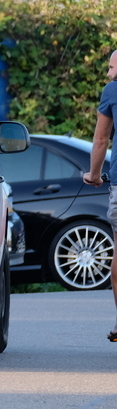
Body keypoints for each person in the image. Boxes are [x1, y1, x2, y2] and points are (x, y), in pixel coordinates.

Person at [81, 49, 117, 342]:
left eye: (111, 67)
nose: (108, 73)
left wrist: (93, 174)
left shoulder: (113, 90)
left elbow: (101, 138)